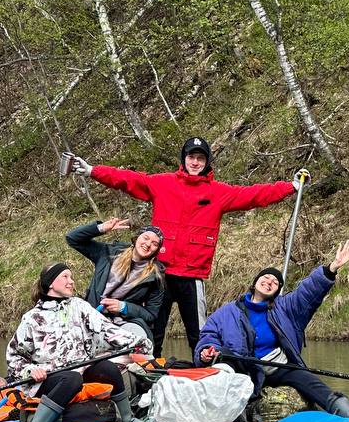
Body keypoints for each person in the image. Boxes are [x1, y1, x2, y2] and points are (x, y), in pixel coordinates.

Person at [67, 137, 299, 356]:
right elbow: (128, 180)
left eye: (200, 158)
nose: (195, 162)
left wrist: (291, 186)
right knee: (153, 328)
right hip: (158, 273)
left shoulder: (219, 193)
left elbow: (255, 195)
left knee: (199, 333)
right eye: (191, 157)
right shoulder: (162, 184)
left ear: (207, 162)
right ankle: (148, 369)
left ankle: (205, 369)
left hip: (191, 275)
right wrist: (92, 171)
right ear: (184, 159)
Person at [195, 240, 349, 422]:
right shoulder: (226, 312)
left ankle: (346, 413)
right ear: (255, 283)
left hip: (277, 366)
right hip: (244, 368)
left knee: (307, 379)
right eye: (266, 278)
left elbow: (308, 291)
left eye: (275, 282)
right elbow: (209, 336)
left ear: (277, 291)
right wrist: (206, 351)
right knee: (225, 356)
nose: (269, 282)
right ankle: (233, 420)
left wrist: (332, 267)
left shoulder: (286, 308)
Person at [5, 263, 149, 422]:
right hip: (48, 379)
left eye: (71, 277)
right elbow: (14, 356)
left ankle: (128, 421)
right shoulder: (32, 318)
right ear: (50, 283)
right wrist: (31, 370)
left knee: (107, 368)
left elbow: (106, 330)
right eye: (65, 277)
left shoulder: (80, 306)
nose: (71, 281)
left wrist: (137, 342)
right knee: (71, 379)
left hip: (80, 370)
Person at [65, 219, 165, 343]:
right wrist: (101, 228)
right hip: (91, 316)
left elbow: (151, 315)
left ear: (157, 250)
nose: (148, 244)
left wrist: (124, 307)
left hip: (123, 323)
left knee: (138, 337)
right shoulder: (108, 252)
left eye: (155, 243)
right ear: (137, 238)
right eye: (145, 238)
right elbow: (72, 238)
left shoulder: (156, 276)